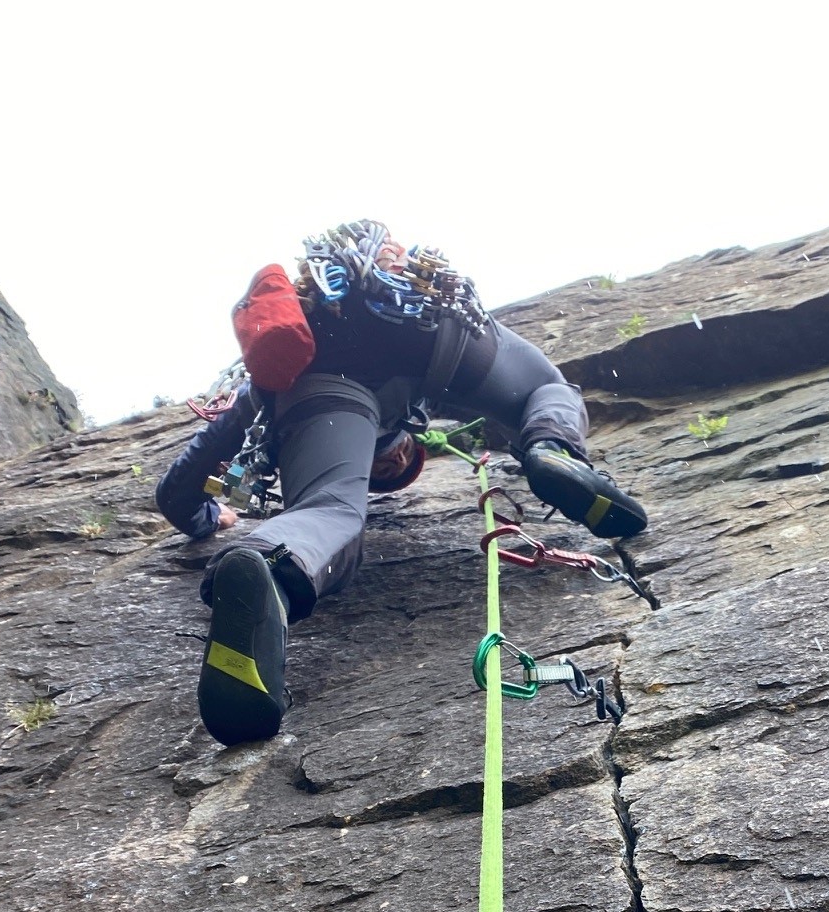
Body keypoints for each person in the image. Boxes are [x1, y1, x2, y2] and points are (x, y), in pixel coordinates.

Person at [155, 221, 647, 747]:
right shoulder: (397, 369)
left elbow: (177, 490)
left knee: (329, 509)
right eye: (392, 469)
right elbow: (515, 395)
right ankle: (553, 449)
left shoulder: (277, 386)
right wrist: (528, 442)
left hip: (338, 368)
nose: (387, 468)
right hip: (431, 327)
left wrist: (206, 517)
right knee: (546, 391)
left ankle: (271, 561)